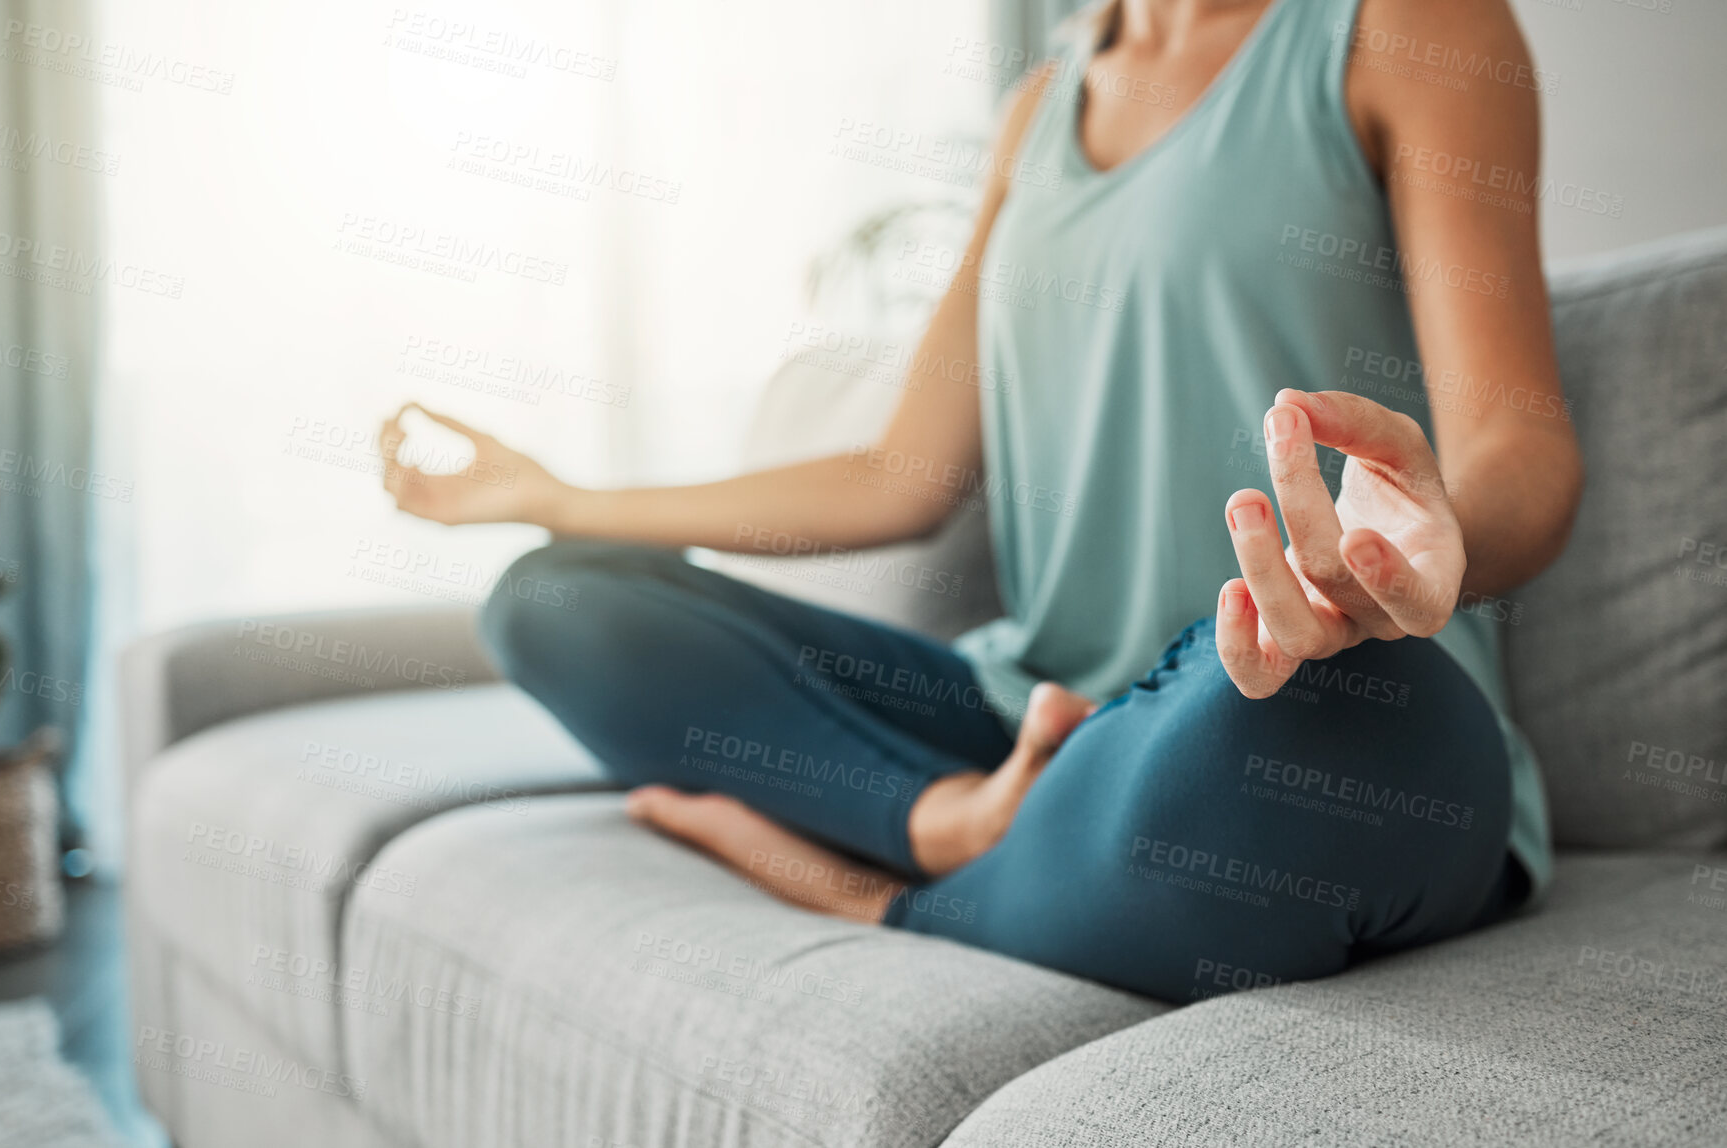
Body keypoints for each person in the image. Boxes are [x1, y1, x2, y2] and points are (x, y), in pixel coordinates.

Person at [378, 0, 1581, 1003]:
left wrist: (1414, 561)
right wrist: (559, 495)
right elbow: (900, 476)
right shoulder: (1040, 104)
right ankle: (942, 824)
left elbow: (1514, 446)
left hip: (1299, 698)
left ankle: (879, 892)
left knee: (1296, 730)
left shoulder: (1405, 29)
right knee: (556, 599)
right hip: (1037, 723)